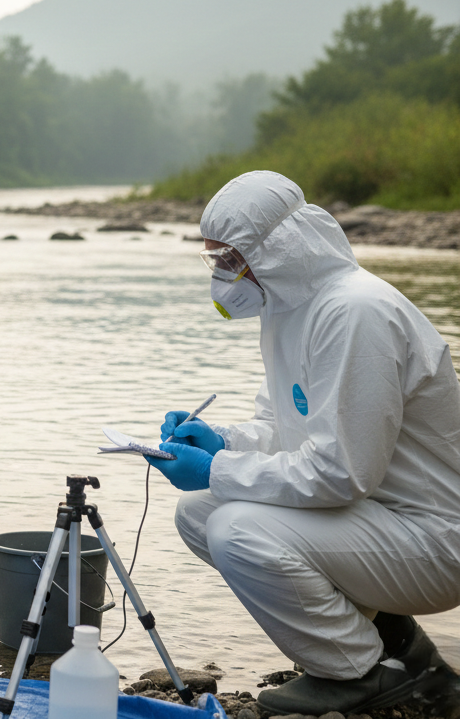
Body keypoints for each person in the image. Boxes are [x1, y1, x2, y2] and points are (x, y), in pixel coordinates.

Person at [151, 170, 460, 714]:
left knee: (233, 526)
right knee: (199, 512)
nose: (223, 273)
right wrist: (222, 439)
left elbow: (340, 473)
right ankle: (401, 649)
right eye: (216, 259)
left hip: (434, 540)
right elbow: (285, 428)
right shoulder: (288, 310)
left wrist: (217, 467)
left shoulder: (354, 312)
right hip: (382, 518)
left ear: (276, 250)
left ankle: (357, 672)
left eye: (230, 257)